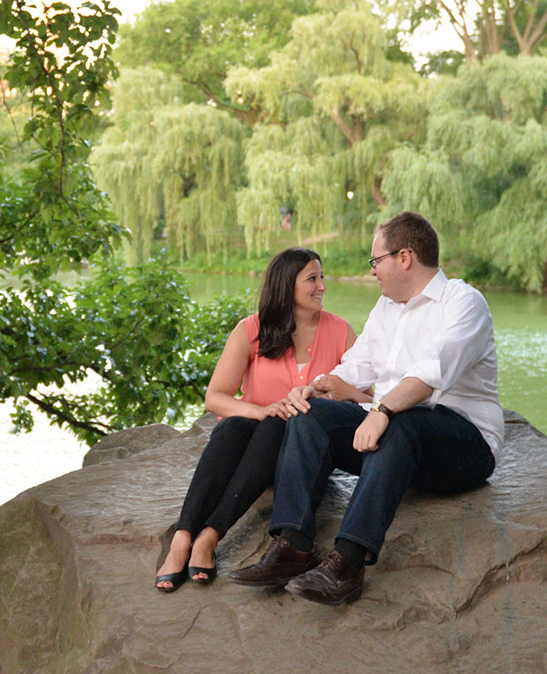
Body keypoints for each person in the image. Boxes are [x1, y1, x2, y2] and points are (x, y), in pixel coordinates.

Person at [227, 211, 502, 605]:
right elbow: (357, 366)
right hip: (394, 440)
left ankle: (347, 565)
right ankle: (292, 547)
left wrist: (382, 411)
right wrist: (314, 389)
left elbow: (431, 374)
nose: (372, 271)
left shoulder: (463, 303)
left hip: (463, 444)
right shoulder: (387, 308)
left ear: (404, 257)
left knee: (401, 422)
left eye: (376, 261)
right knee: (310, 416)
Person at [155, 247, 363, 592]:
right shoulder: (251, 329)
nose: (322, 286)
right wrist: (261, 409)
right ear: (286, 286)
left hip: (299, 456)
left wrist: (334, 393)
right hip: (247, 444)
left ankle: (209, 536)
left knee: (278, 425)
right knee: (237, 425)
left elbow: (363, 397)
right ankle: (183, 536)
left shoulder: (341, 332)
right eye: (312, 279)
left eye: (321, 277)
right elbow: (215, 397)